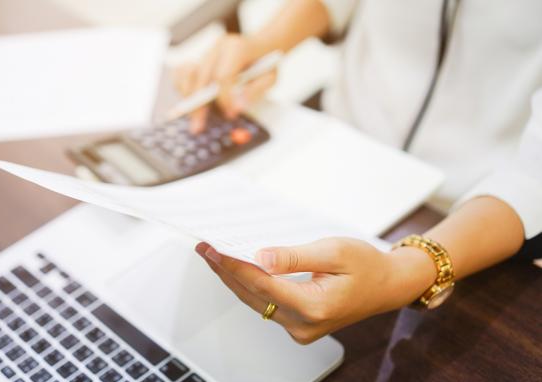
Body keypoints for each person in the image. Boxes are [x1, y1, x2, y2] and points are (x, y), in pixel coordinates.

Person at [175, 0, 542, 344]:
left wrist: (402, 275)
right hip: (336, 143)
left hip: (473, 217)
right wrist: (266, 43)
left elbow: (533, 178)